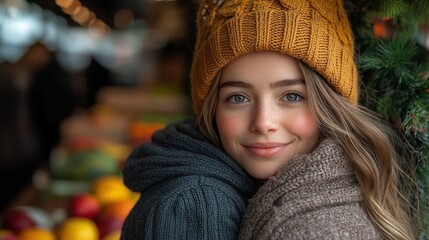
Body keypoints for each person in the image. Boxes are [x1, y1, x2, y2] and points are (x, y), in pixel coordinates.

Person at [121, 0, 415, 239]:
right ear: (211, 108)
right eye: (238, 98)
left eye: (291, 96)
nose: (263, 122)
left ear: (330, 103)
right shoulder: (195, 207)